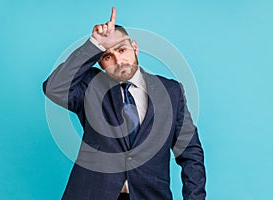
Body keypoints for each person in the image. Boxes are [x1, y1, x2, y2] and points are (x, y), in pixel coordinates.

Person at [43, 7, 206, 200]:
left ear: (135, 48)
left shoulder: (171, 92)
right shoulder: (90, 87)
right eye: (107, 56)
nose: (118, 61)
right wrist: (95, 45)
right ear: (100, 63)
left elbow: (191, 152)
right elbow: (54, 87)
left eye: (122, 50)